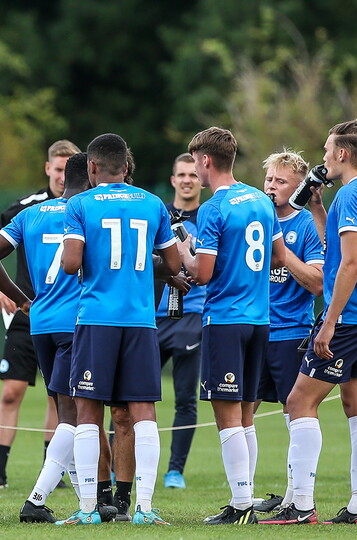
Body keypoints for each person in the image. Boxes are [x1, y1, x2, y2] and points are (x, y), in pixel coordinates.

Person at [265, 119, 357, 526]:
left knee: (299, 401)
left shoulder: (351, 195)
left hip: (351, 317)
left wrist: (330, 321)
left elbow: (351, 263)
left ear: (342, 153)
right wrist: (318, 208)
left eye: (326, 149)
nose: (322, 157)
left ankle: (301, 507)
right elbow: (340, 248)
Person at [58, 133, 180, 526]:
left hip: (96, 320)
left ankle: (90, 508)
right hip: (142, 321)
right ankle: (143, 508)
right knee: (142, 412)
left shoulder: (79, 204)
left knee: (88, 412)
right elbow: (174, 264)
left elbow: (71, 264)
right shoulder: (152, 203)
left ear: (91, 167)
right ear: (126, 166)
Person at [177, 127, 285, 525]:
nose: (195, 171)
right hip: (260, 319)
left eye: (195, 162)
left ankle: (241, 507)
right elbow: (277, 256)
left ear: (206, 161)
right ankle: (247, 498)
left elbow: (201, 274)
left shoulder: (212, 208)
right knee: (246, 415)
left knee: (227, 417)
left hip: (225, 319)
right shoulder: (261, 199)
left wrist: (186, 253)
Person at [0, 152, 91, 523]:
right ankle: (40, 499)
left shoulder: (31, 214)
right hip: (77, 322)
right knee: (76, 414)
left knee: (65, 412)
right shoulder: (90, 212)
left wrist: (22, 299)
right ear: (91, 175)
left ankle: (87, 499)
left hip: (40, 323)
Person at [251, 151, 324, 519]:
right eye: (268, 180)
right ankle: (242, 500)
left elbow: (317, 283)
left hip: (289, 333)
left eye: (280, 182)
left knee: (295, 412)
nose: (271, 187)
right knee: (239, 412)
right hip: (250, 330)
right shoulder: (251, 220)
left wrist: (282, 250)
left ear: (297, 188)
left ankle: (298, 499)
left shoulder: (306, 225)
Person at [155, 153, 206, 489]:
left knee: (186, 398)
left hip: (193, 315)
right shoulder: (157, 212)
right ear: (173, 180)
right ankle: (117, 465)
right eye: (181, 175)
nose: (187, 180)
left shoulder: (211, 216)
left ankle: (175, 470)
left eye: (192, 174)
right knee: (130, 393)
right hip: (153, 316)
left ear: (200, 179)